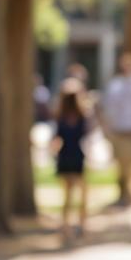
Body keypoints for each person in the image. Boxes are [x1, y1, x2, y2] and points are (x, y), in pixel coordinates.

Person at [101, 51, 131, 205]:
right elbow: (108, 109)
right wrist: (107, 130)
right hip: (121, 133)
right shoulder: (115, 85)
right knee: (122, 168)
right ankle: (124, 197)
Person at [49, 77, 89, 242]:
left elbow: (56, 140)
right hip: (77, 156)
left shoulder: (60, 117)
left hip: (64, 156)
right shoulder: (81, 116)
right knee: (82, 193)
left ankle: (66, 227)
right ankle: (81, 224)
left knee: (67, 196)